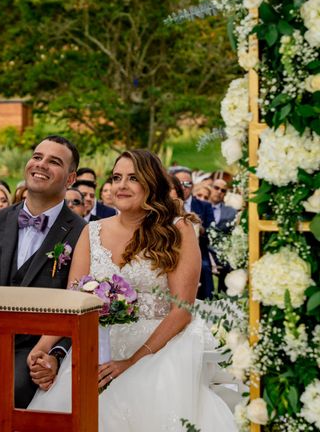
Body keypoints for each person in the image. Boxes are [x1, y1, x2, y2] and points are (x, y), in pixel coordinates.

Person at [28, 150, 235, 431]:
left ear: (151, 184)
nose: (121, 185)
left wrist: (132, 362)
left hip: (161, 344)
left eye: (133, 178)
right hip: (101, 344)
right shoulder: (92, 231)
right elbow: (73, 302)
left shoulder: (178, 229)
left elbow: (182, 310)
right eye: (116, 178)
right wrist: (43, 348)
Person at [0, 136, 87, 408]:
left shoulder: (82, 233)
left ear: (70, 179)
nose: (42, 165)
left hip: (33, 350)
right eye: (37, 157)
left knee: (12, 397)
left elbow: (80, 306)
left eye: (54, 161)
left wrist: (55, 354)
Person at [169, 166, 215, 299]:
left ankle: (207, 299)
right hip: (171, 251)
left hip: (199, 249)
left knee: (204, 267)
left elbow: (211, 232)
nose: (184, 187)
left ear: (192, 185)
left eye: (187, 183)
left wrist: (199, 230)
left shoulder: (204, 206)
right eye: (179, 183)